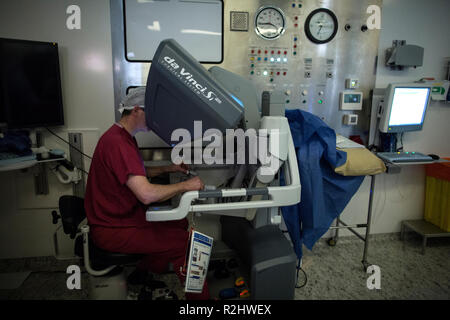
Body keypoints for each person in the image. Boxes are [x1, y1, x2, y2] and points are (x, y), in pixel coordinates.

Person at [84, 87, 209, 299]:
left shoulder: (122, 137)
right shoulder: (117, 142)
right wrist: (185, 186)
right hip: (112, 228)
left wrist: (169, 168)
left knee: (179, 224)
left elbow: (135, 173)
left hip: (121, 218)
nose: (155, 120)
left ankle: (140, 274)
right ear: (136, 110)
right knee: (183, 243)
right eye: (152, 114)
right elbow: (146, 194)